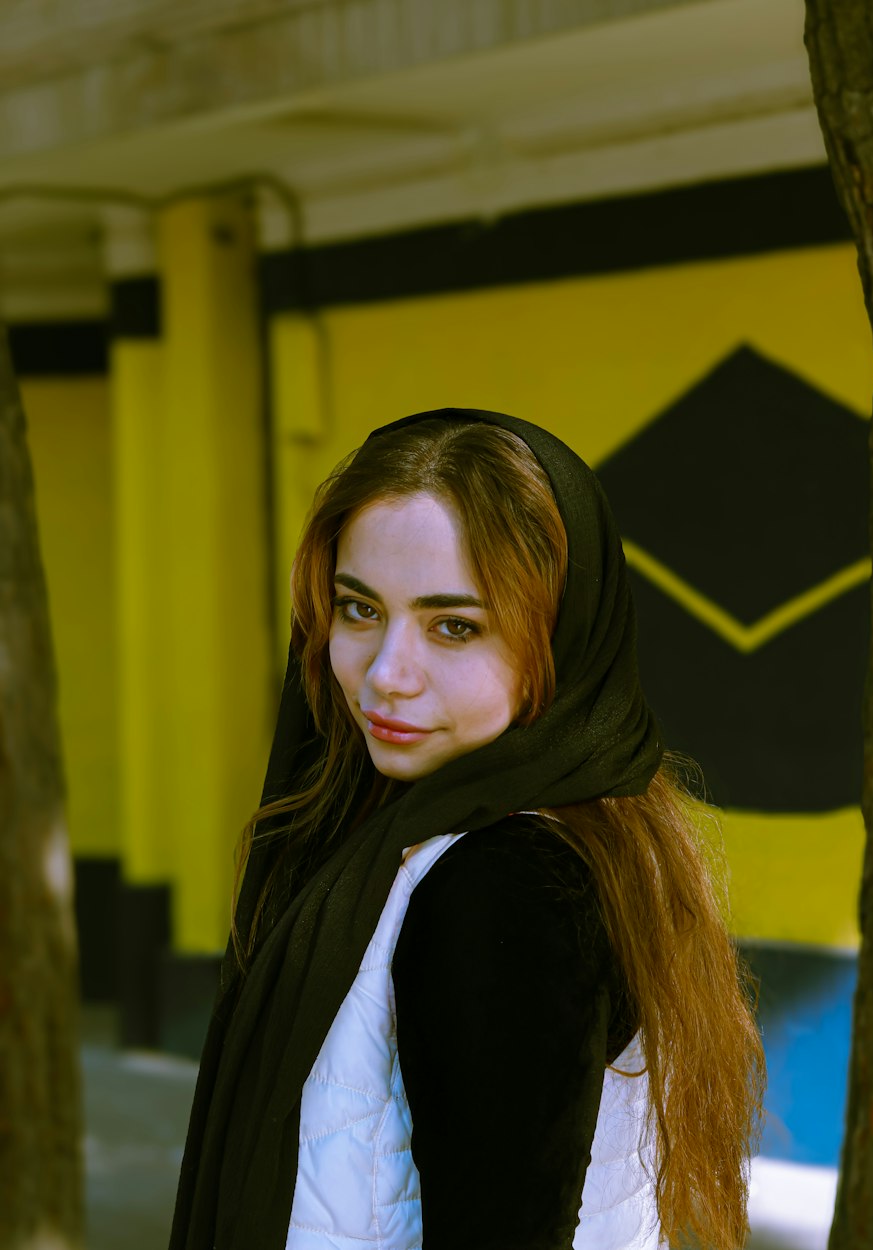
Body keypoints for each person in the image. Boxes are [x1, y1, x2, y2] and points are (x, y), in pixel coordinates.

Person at [169, 408, 765, 1250]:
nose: (385, 675)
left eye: (455, 626)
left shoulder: (504, 885)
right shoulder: (576, 830)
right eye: (359, 609)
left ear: (560, 638)